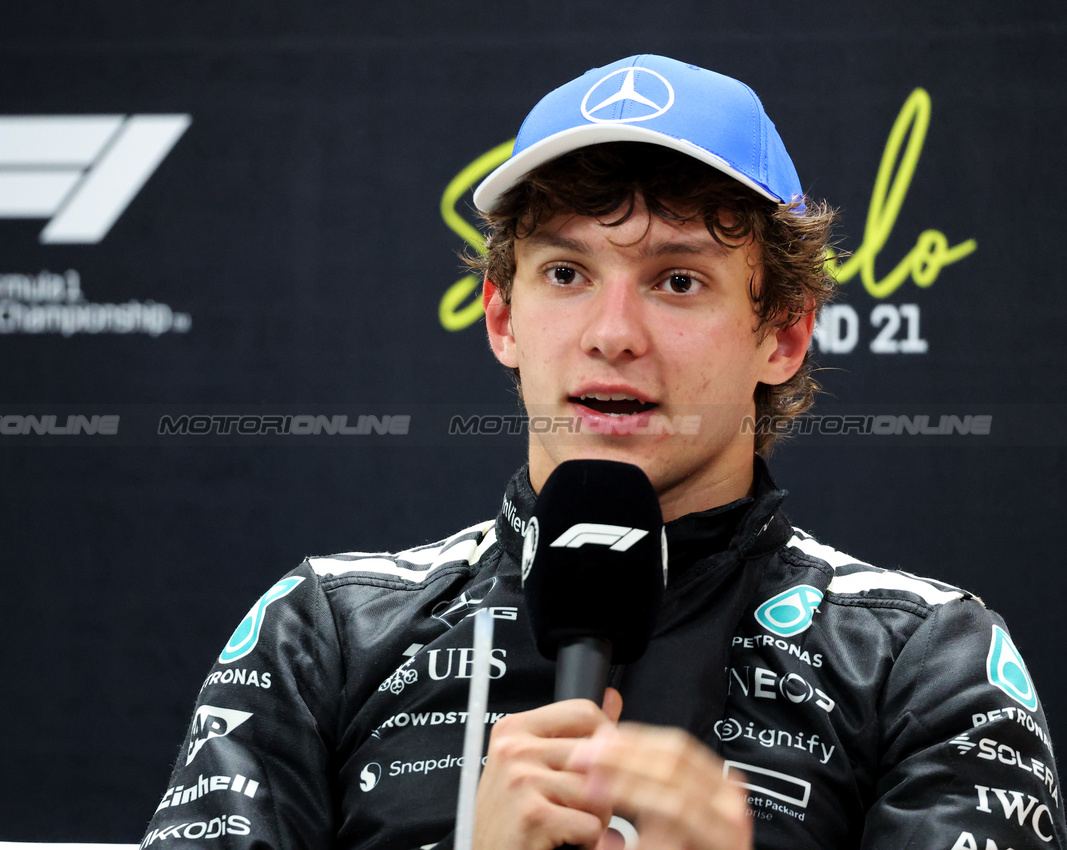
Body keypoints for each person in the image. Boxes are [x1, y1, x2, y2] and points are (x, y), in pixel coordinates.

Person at [139, 54, 1064, 849]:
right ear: (504, 318)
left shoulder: (922, 658)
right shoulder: (327, 635)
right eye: (567, 273)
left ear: (780, 336)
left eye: (676, 278)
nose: (612, 333)